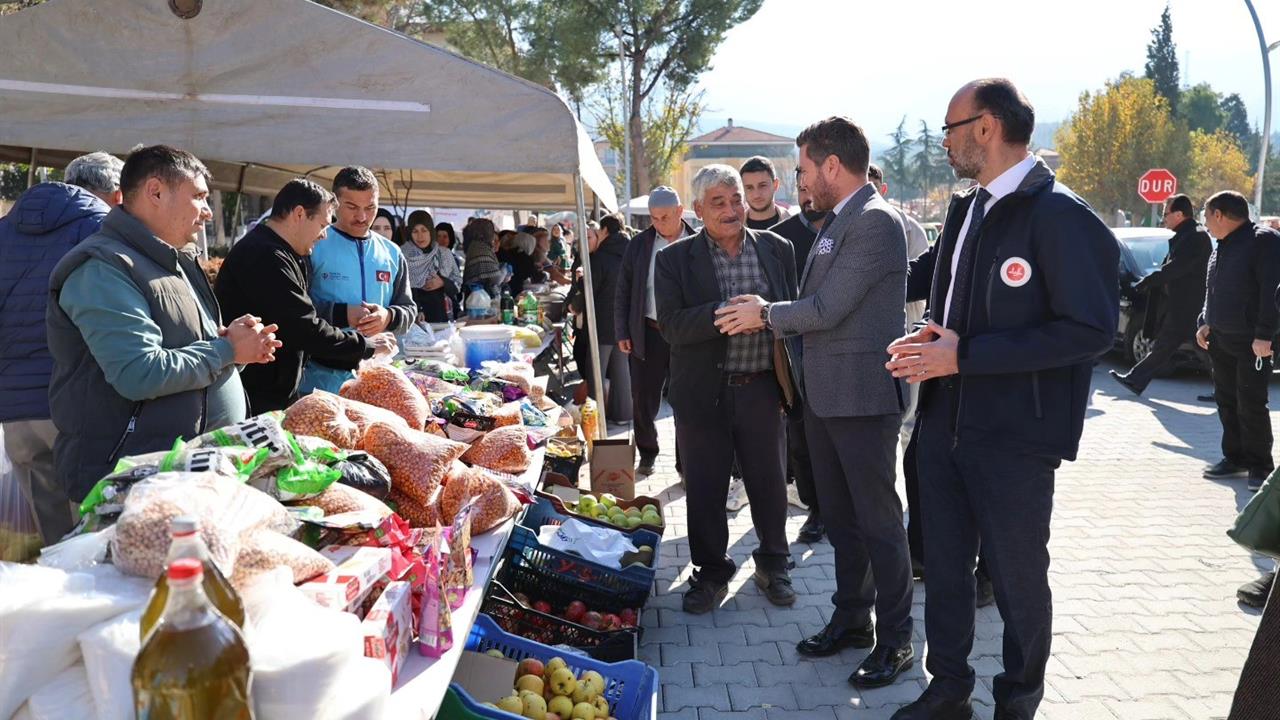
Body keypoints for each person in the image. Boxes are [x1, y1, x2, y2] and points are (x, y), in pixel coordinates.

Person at [884, 79, 1119, 720]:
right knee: (946, 568)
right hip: (943, 425)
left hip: (1016, 437)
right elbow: (956, 306)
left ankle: (1018, 698)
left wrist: (965, 355)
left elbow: (1092, 330)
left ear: (986, 127)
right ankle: (949, 687)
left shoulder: (1061, 215)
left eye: (950, 129)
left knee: (1016, 578)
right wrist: (930, 341)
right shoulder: (966, 209)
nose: (946, 143)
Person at [715, 117, 916, 689]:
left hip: (862, 398)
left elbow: (825, 308)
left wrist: (766, 314)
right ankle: (853, 619)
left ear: (832, 165)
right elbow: (816, 301)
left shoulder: (875, 221)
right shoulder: (839, 220)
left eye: (803, 169)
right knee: (844, 522)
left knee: (880, 524)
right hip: (827, 397)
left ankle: (897, 639)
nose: (799, 180)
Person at [47, 145, 282, 504]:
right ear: (155, 192)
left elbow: (187, 345)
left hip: (184, 475)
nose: (206, 211)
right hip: (126, 482)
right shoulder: (103, 268)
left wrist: (236, 343)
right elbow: (138, 371)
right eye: (199, 197)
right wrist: (227, 349)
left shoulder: (174, 259)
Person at [656, 164, 797, 614]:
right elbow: (672, 327)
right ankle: (712, 572)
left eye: (736, 199)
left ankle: (774, 565)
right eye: (719, 202)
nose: (732, 209)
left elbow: (790, 316)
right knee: (705, 487)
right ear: (698, 210)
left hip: (761, 388)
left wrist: (768, 313)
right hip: (703, 393)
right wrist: (722, 314)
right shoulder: (674, 259)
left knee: (770, 483)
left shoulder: (778, 249)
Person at [0, 151, 122, 544]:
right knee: (95, 531)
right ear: (118, 195)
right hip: (77, 402)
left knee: (50, 533)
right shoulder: (102, 231)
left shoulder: (4, 229)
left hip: (14, 407)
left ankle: (56, 598)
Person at [215, 179, 396, 412]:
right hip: (255, 395)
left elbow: (302, 312)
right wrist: (367, 346)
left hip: (274, 390)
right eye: (322, 225)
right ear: (299, 214)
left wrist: (348, 323)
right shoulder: (264, 254)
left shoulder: (287, 252)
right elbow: (303, 327)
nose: (324, 236)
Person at [300, 166, 415, 395]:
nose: (362, 217)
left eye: (370, 207)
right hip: (320, 378)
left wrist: (388, 316)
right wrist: (343, 313)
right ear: (334, 204)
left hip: (377, 379)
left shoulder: (391, 252)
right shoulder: (313, 245)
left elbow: (408, 309)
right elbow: (296, 310)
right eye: (352, 207)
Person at [1195, 190, 1280, 491]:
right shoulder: (1222, 245)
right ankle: (1235, 457)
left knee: (1251, 404)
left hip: (1251, 343)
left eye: (1206, 216)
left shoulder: (1263, 241)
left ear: (1219, 214)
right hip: (1222, 339)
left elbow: (1273, 292)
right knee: (1227, 401)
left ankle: (1261, 467)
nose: (1204, 223)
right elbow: (1213, 288)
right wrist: (1205, 322)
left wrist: (1264, 334)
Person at [615, 186, 695, 476]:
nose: (658, 223)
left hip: (686, 336)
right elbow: (623, 288)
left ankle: (685, 464)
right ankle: (647, 452)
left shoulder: (698, 241)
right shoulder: (639, 244)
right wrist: (623, 330)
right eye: (653, 218)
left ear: (679, 211)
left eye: (663, 217)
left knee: (685, 400)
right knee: (643, 398)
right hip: (647, 331)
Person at [768, 181, 827, 543]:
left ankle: (844, 510)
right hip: (796, 351)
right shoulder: (781, 238)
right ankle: (816, 510)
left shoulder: (852, 230)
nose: (808, 198)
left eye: (813, 188)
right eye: (802, 188)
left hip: (842, 352)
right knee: (801, 436)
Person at [1110, 194, 1212, 396]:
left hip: (1191, 305)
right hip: (1181, 305)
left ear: (1179, 214)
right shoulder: (1185, 235)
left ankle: (1229, 388)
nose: (1163, 218)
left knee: (1204, 349)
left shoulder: (1195, 237)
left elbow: (1176, 268)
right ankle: (1135, 380)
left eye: (1166, 213)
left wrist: (1148, 281)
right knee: (1165, 346)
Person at [401, 210, 459, 323]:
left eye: (424, 230)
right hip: (414, 319)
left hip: (443, 317)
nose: (420, 236)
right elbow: (400, 289)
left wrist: (443, 282)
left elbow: (458, 285)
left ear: (431, 231)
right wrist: (418, 309)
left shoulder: (444, 254)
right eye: (415, 231)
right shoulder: (402, 254)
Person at [740, 156, 786, 229]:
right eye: (749, 188)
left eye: (762, 186)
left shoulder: (795, 225)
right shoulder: (734, 229)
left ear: (776, 185)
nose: (756, 195)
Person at [462, 218, 504, 295]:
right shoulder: (480, 248)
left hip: (478, 297)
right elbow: (495, 278)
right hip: (480, 299)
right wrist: (504, 271)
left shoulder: (475, 246)